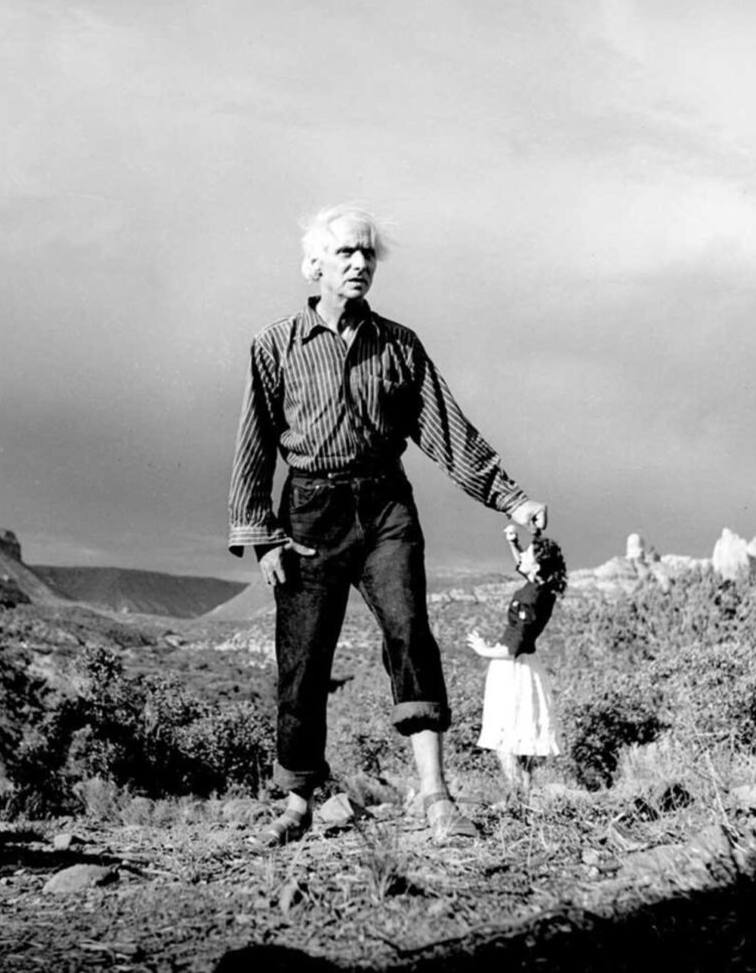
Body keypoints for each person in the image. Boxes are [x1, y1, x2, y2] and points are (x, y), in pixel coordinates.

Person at [228, 203, 548, 846]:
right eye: (346, 253)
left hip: (385, 510)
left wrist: (510, 498)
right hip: (308, 515)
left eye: (368, 254)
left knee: (410, 634)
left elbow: (445, 430)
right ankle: (296, 802)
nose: (359, 264)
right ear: (313, 264)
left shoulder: (399, 345)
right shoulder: (275, 345)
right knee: (304, 657)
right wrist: (260, 534)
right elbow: (254, 444)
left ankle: (435, 796)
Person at [466, 525, 567, 805]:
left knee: (505, 734)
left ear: (538, 563)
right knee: (524, 730)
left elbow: (514, 646)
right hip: (528, 666)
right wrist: (514, 542)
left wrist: (484, 650)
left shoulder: (530, 598)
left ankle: (517, 794)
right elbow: (524, 566)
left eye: (527, 553)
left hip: (512, 668)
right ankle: (525, 790)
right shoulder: (543, 588)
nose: (521, 555)